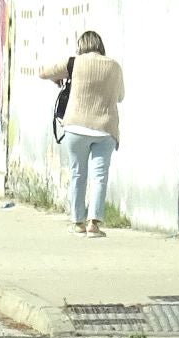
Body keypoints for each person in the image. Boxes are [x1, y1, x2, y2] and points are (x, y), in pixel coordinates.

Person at [41, 31, 124, 238]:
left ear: (81, 46)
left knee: (78, 174)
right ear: (100, 45)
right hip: (105, 128)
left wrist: (57, 78)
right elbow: (120, 96)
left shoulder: (74, 63)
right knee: (99, 176)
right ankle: (93, 224)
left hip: (76, 128)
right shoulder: (114, 66)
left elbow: (43, 72)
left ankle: (78, 223)